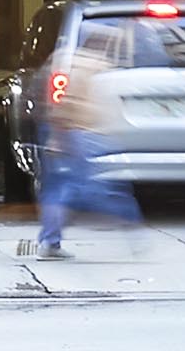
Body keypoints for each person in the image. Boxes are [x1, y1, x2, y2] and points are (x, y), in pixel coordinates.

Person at [27, 33, 139, 265]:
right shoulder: (98, 66)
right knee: (83, 186)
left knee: (57, 187)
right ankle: (126, 218)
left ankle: (51, 241)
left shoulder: (62, 60)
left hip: (57, 128)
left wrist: (53, 130)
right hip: (78, 132)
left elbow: (45, 95)